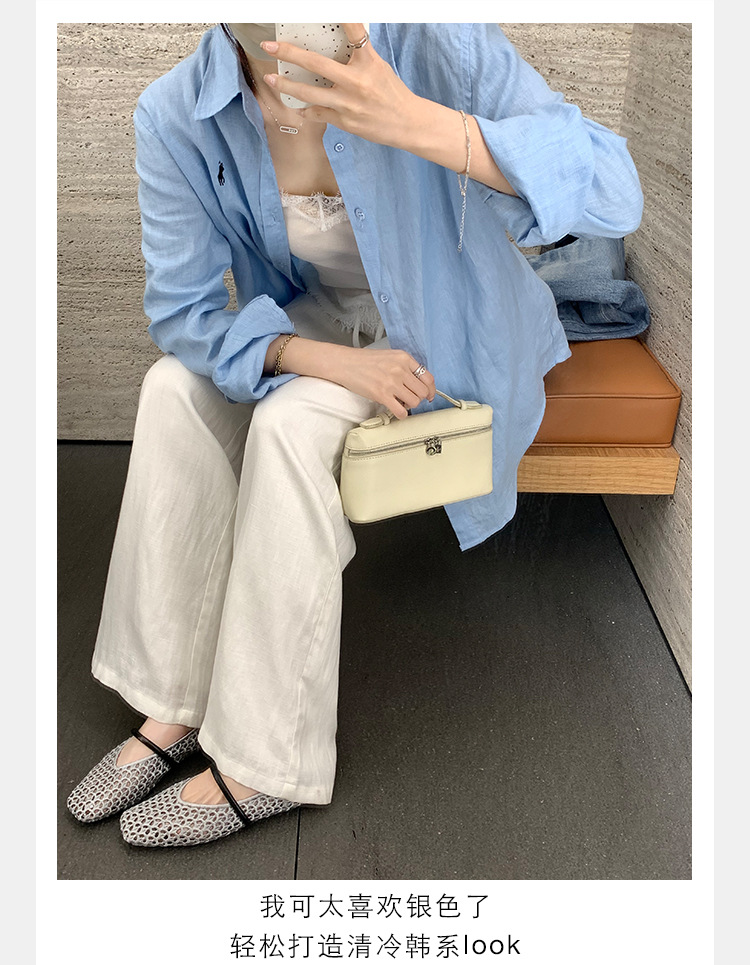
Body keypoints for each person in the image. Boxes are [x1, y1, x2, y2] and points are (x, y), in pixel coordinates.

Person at [67, 22, 643, 847]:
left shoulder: (434, 41)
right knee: (170, 389)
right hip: (318, 331)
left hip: (444, 335)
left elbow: (616, 190)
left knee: (287, 427)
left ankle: (268, 759)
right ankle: (172, 703)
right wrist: (324, 359)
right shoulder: (176, 112)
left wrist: (415, 121)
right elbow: (182, 312)